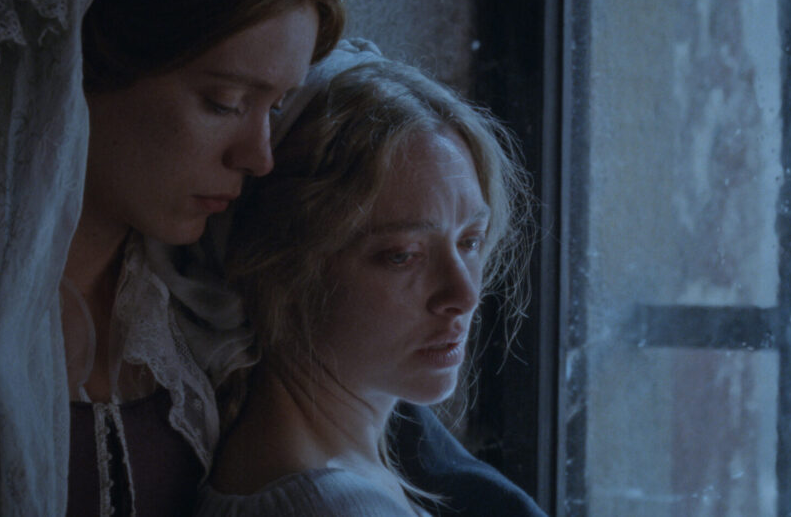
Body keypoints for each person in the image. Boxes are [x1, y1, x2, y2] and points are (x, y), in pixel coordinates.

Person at [0, 0, 540, 516]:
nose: (257, 155)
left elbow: (435, 468)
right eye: (225, 102)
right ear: (74, 62)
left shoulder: (219, 276)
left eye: (275, 107)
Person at [194, 42, 541, 516]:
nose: (463, 295)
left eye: (470, 241)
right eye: (403, 256)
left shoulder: (340, 475)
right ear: (283, 266)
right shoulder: (330, 505)